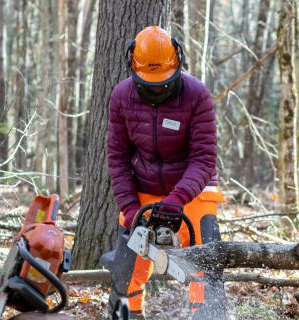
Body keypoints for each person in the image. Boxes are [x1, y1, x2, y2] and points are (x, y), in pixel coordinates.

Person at [99, 26, 227, 320]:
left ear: (177, 62)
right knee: (128, 260)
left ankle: (206, 312)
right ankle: (128, 312)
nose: (157, 89)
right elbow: (118, 158)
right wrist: (130, 208)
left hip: (193, 186)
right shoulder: (121, 96)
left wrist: (178, 198)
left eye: (163, 84)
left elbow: (204, 159)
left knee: (205, 248)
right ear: (133, 67)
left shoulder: (197, 95)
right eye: (150, 84)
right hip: (144, 184)